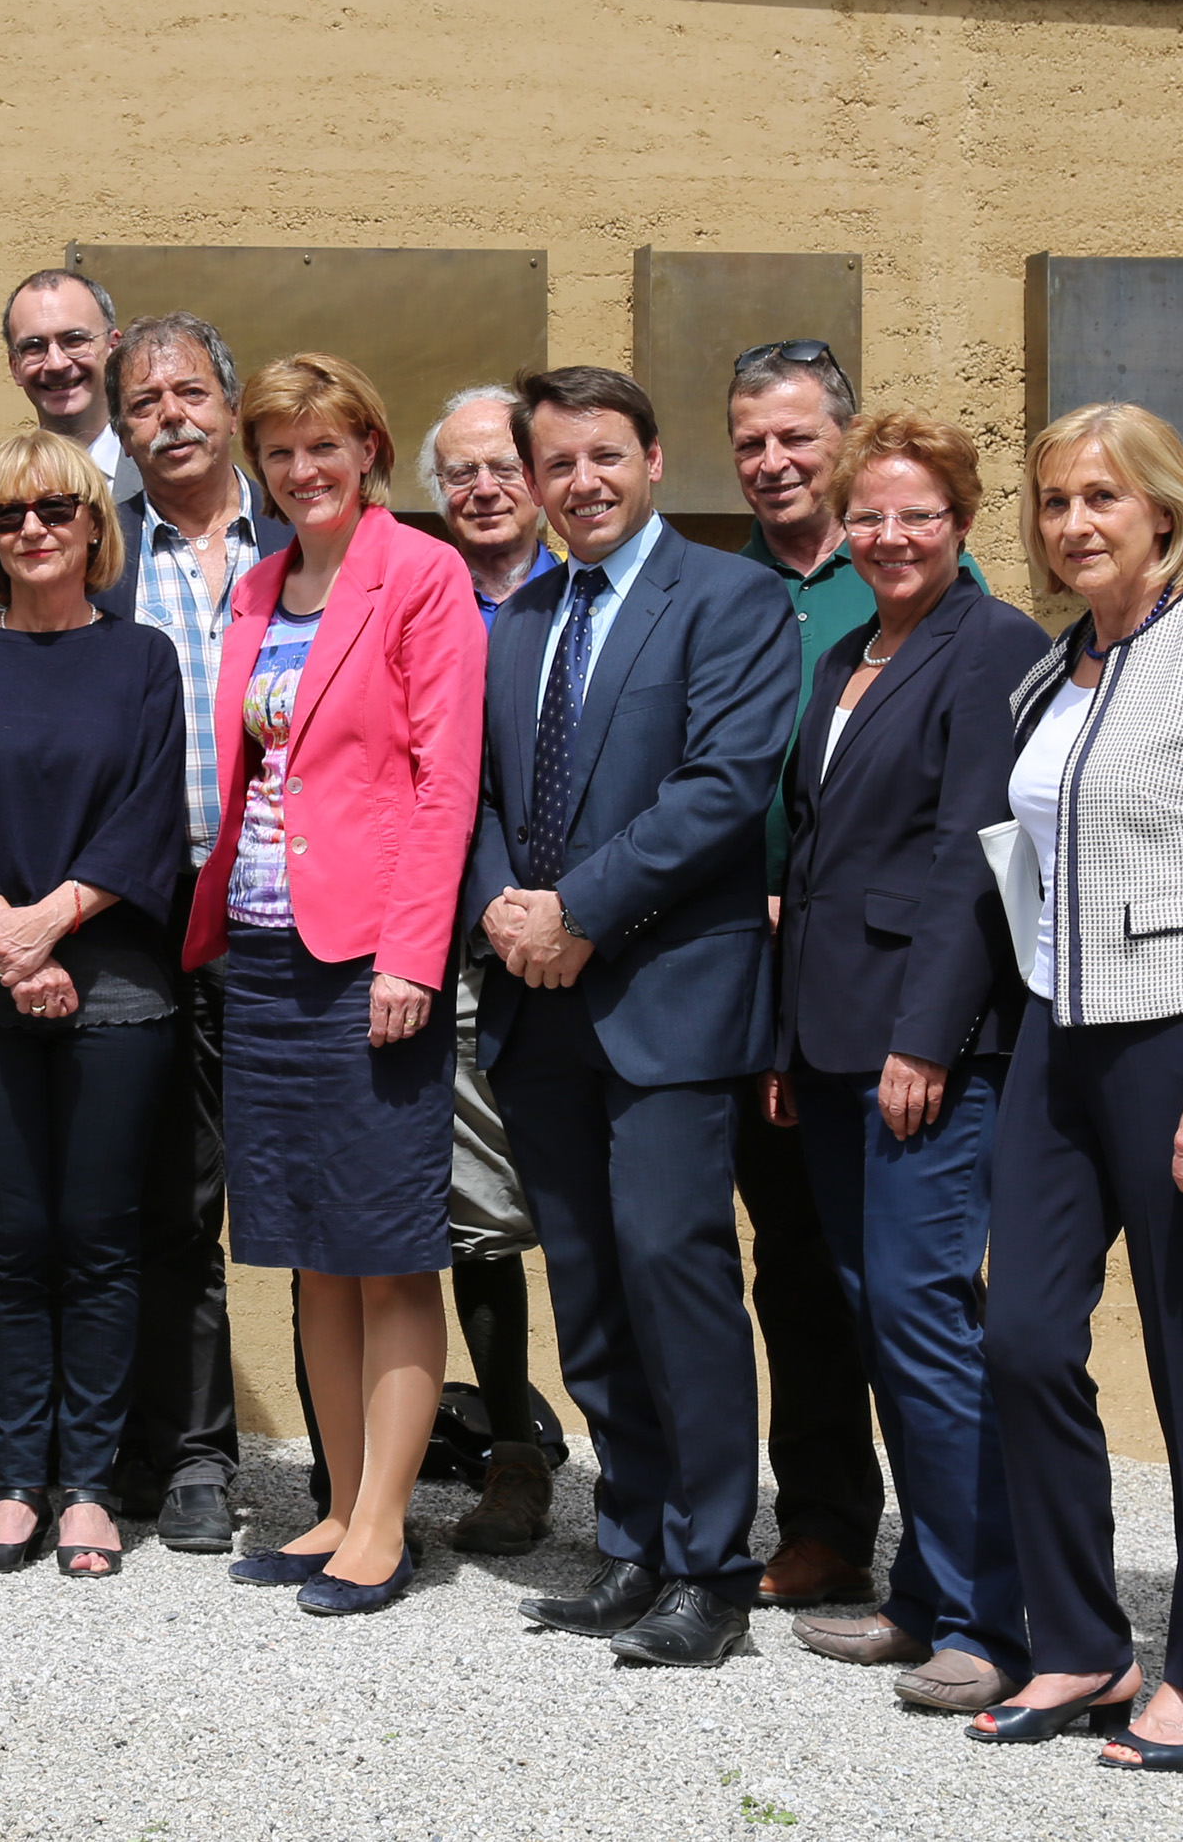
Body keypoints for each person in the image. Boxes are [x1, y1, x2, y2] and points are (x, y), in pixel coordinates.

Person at [974, 402, 1183, 1771]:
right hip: (1056, 1032)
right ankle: (1079, 1641)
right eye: (1054, 500)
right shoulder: (1062, 661)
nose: (1073, 523)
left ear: (1164, 510)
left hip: (1181, 1039)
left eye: (1100, 497)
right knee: (1020, 1335)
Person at [473, 366, 794, 1669]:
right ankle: (633, 1538)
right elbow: (477, 791)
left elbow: (722, 786)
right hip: (535, 1001)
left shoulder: (729, 598)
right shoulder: (517, 616)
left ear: (653, 460)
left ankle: (711, 1565)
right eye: (557, 462)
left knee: (674, 1272)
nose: (582, 481)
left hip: (666, 997)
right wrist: (502, 909)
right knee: (590, 1287)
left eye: (604, 454)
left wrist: (579, 911)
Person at [183, 352, 485, 1618]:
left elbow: (442, 781)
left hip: (368, 955)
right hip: (262, 951)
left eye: (325, 445)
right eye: (279, 450)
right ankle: (336, 1498)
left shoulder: (419, 573)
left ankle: (383, 1525)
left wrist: (411, 953)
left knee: (385, 1247)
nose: (302, 469)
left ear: (368, 449)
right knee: (310, 1248)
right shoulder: (260, 583)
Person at [767, 411, 1044, 1714]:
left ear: (961, 524)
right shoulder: (847, 656)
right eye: (868, 514)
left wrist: (924, 1037)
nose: (888, 535)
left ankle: (993, 1619)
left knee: (926, 1315)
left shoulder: (992, 646)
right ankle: (924, 1596)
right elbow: (811, 862)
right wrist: (785, 1040)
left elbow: (968, 859)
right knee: (877, 1312)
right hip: (828, 1039)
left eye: (915, 514)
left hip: (926, 1046)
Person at [0, 431, 187, 1578]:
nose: (31, 527)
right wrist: (7, 940)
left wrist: (50, 921)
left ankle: (90, 1487)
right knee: (11, 1238)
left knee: (101, 1241)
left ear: (92, 522)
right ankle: (18, 1479)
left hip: (117, 989)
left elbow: (147, 813)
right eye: (8, 513)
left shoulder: (142, 658)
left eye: (55, 508)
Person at [92, 313, 280, 1556]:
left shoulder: (306, 544)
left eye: (190, 391)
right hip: (147, 917)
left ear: (228, 402)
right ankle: (190, 1451)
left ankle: (352, 1473)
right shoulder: (95, 550)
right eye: (144, 400)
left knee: (317, 1199)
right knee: (166, 1198)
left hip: (285, 916)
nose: (170, 414)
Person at [718, 341, 894, 1610]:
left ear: (843, 437)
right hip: (747, 973)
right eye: (750, 442)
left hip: (878, 977)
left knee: (898, 1266)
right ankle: (825, 1518)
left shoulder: (909, 575)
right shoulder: (716, 590)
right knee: (788, 1258)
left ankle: (959, 1535)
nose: (772, 461)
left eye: (795, 437)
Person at [418, 385, 559, 1557]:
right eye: (459, 471)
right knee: (479, 1219)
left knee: (616, 1221)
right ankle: (511, 1445)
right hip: (464, 948)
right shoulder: (421, 600)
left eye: (504, 463)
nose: (483, 487)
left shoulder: (592, 593)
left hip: (597, 946)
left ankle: (652, 1467)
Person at [0, 269, 138, 512]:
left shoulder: (163, 472)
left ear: (113, 348)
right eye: (34, 347)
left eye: (74, 340)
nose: (56, 363)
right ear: (15, 366)